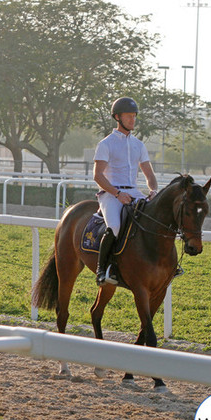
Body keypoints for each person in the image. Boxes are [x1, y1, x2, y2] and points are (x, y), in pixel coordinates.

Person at [92, 96, 159, 286]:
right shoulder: (106, 144)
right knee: (114, 226)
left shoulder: (139, 145)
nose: (133, 120)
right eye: (129, 116)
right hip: (111, 195)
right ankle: (102, 269)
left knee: (155, 219)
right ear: (117, 117)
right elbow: (98, 176)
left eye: (134, 116)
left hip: (134, 192)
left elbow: (149, 175)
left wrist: (153, 190)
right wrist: (117, 194)